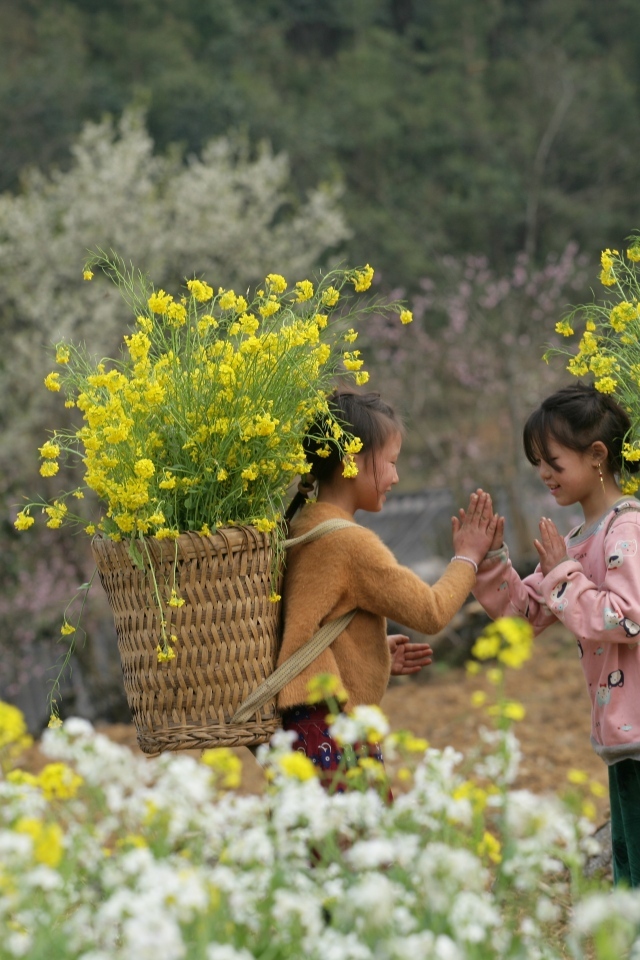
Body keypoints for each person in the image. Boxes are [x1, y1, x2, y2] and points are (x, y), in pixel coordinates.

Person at [277, 389, 498, 790]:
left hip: (303, 726)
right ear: (350, 463)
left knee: (323, 849)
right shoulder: (350, 543)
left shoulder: (303, 526)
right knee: (357, 848)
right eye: (391, 463)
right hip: (334, 728)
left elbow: (311, 627)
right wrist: (467, 557)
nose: (396, 478)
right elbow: (430, 612)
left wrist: (370, 655)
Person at [469, 382, 640, 887]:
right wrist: (493, 561)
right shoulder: (576, 541)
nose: (543, 473)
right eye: (537, 462)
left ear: (597, 456)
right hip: (621, 733)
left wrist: (565, 573)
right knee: (628, 866)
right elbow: (526, 619)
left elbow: (627, 617)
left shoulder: (626, 529)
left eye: (553, 461)